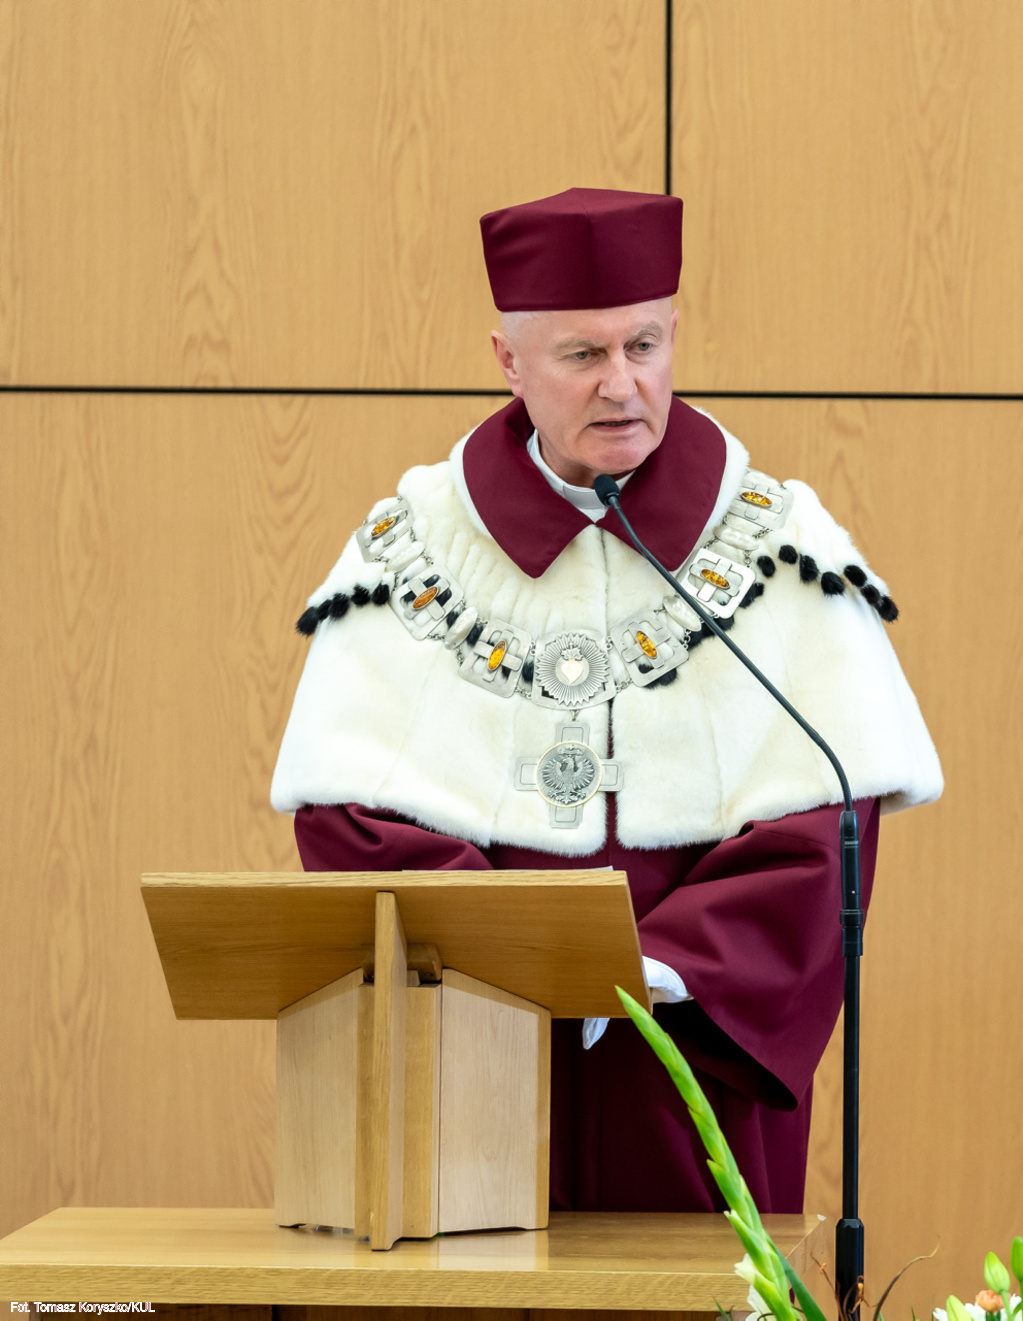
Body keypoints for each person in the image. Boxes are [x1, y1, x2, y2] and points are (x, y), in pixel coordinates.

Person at [270, 187, 942, 1214]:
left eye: (644, 345)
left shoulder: (779, 543)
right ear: (509, 360)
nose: (622, 384)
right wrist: (518, 958)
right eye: (583, 354)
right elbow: (348, 815)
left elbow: (826, 823)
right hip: (470, 1053)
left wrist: (662, 970)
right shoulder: (414, 547)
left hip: (691, 1055)